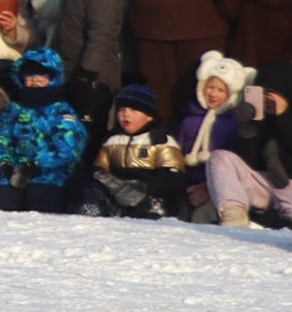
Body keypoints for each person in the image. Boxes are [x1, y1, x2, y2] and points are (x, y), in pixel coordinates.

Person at [0, 47, 87, 212]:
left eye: (41, 76)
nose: (34, 81)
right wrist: (3, 164)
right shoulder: (13, 109)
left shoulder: (61, 111)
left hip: (49, 175)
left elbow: (69, 147)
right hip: (12, 174)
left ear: (52, 78)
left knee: (40, 201)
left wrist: (36, 166)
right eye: (29, 76)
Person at [206, 62, 292, 227]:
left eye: (272, 93)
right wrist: (247, 128)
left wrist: (282, 117)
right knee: (221, 157)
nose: (267, 97)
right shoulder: (260, 119)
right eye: (263, 92)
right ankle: (234, 215)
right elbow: (249, 162)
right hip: (265, 185)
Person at [83, 82, 187, 219]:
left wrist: (144, 187)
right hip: (118, 192)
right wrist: (110, 181)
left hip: (151, 193)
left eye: (133, 110)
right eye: (122, 110)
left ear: (149, 116)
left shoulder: (160, 140)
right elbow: (98, 168)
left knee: (153, 204)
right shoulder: (112, 140)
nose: (125, 114)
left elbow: (173, 178)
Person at [177, 50, 249, 216]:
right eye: (210, 87)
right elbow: (179, 154)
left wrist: (207, 188)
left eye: (220, 90)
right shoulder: (189, 120)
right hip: (188, 184)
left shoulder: (233, 124)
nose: (213, 94)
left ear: (231, 95)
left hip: (216, 188)